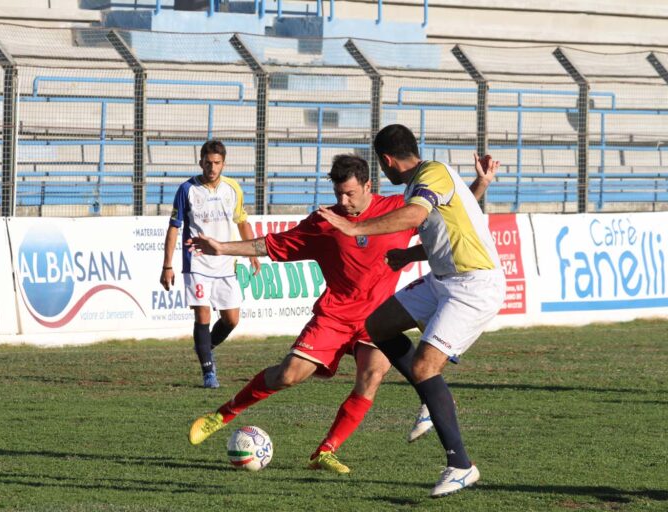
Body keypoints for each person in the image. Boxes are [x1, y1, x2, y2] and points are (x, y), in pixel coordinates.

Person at [186, 152, 498, 474]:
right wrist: (223, 248)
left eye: (349, 193)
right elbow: (272, 244)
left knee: (371, 376)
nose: (344, 201)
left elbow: (447, 210)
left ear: (367, 185)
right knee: (287, 375)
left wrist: (481, 183)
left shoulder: (396, 210)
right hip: (335, 316)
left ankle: (326, 451)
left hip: (379, 318)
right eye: (338, 194)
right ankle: (221, 415)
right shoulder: (325, 222)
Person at [317, 124, 506, 498]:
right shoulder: (429, 177)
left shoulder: (430, 174)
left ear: (386, 161)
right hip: (443, 278)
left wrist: (355, 229)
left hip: (473, 284)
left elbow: (417, 216)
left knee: (424, 366)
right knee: (379, 325)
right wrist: (409, 254)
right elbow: (448, 227)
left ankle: (461, 465)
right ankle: (428, 397)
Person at [160, 139, 261, 389]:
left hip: (226, 262)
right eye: (208, 163)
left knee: (231, 320)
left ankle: (205, 346)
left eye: (216, 163)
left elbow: (242, 222)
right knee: (202, 313)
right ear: (200, 162)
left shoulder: (233, 188)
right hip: (197, 262)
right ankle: (208, 373)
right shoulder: (187, 189)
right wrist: (167, 266)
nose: (212, 167)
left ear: (223, 163)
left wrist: (253, 253)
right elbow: (174, 228)